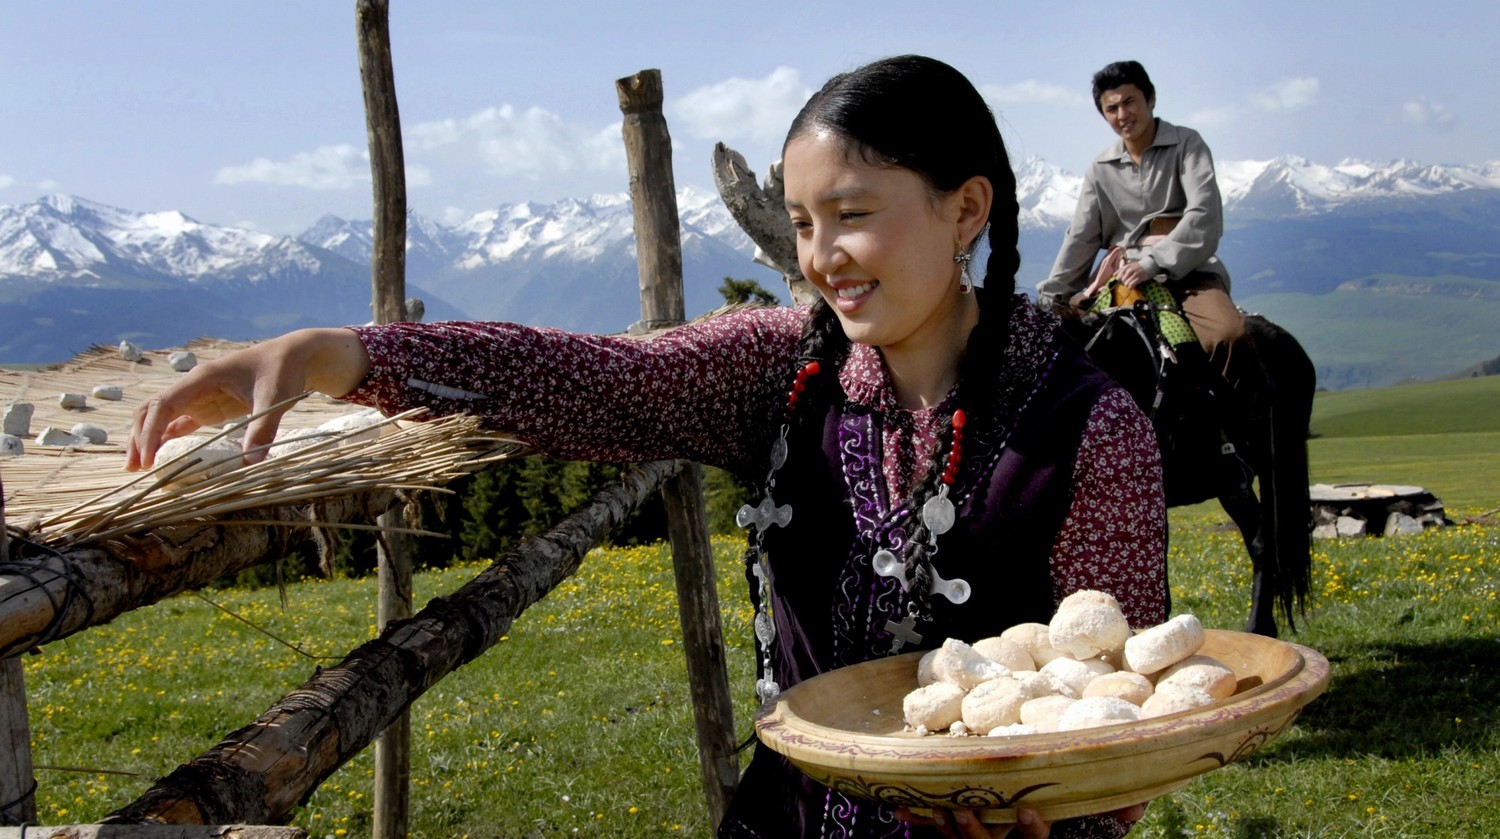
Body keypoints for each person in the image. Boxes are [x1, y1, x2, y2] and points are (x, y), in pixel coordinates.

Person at [128, 55, 1165, 839]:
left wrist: (1061, 818)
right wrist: (343, 355)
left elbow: (1127, 701)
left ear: (967, 208)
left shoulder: (1089, 429)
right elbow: (590, 379)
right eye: (802, 222)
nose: (819, 258)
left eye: (851, 215)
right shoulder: (782, 370)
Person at [1036, 60, 1249, 402]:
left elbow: (1204, 214)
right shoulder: (1100, 170)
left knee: (1228, 335)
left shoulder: (1187, 145)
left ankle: (1228, 436)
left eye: (1129, 101)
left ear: (1150, 99)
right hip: (1121, 282)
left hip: (1189, 272)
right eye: (1111, 108)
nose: (1122, 114)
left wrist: (1153, 262)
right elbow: (1081, 237)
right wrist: (1051, 300)